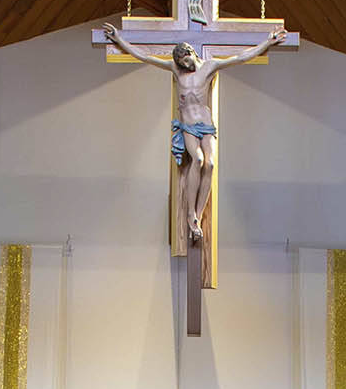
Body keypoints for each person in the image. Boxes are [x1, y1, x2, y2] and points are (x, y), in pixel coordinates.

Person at [101, 20, 288, 242]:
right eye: (180, 61)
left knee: (210, 163)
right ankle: (191, 213)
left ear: (191, 52)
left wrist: (267, 42)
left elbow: (241, 57)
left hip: (206, 125)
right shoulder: (176, 71)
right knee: (197, 159)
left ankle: (198, 215)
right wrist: (120, 40)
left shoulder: (209, 66)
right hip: (188, 126)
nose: (184, 64)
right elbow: (146, 57)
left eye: (185, 58)